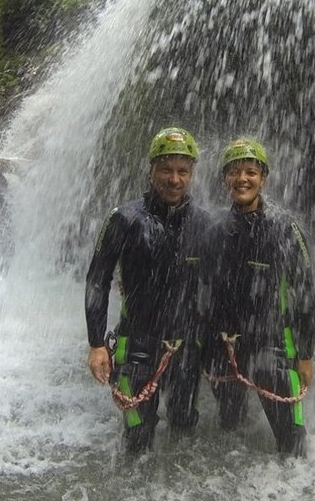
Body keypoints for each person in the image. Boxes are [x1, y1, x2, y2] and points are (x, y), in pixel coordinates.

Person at [85, 127, 211, 453]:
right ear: (151, 169)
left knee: (184, 425)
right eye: (166, 169)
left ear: (192, 174)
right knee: (138, 442)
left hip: (185, 346)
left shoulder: (203, 222)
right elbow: (97, 280)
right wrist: (97, 344)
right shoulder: (126, 219)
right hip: (137, 344)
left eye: (183, 171)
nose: (174, 179)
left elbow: (219, 284)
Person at [203, 138, 315, 457]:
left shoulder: (284, 228)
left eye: (251, 172)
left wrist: (305, 354)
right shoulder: (216, 231)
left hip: (272, 346)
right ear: (226, 178)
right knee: (230, 429)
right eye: (235, 172)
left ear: (263, 178)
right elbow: (204, 290)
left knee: (292, 446)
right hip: (228, 347)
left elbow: (304, 293)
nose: (243, 179)